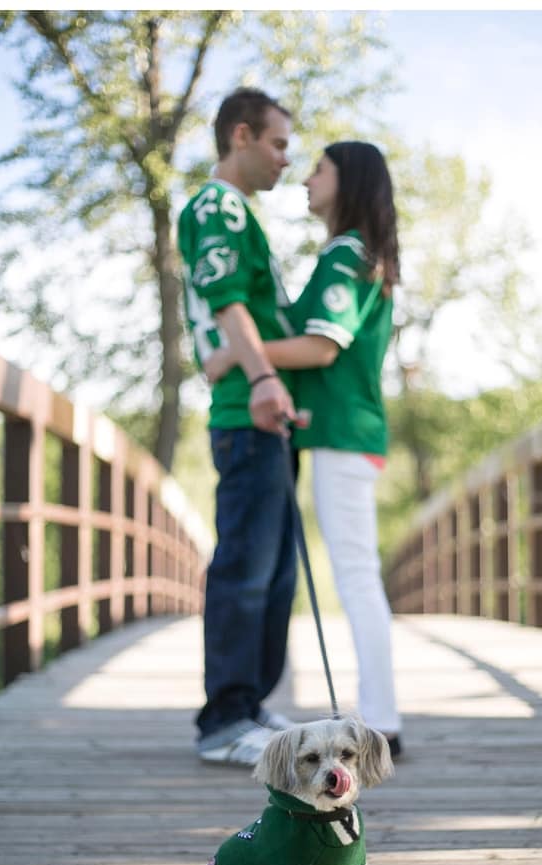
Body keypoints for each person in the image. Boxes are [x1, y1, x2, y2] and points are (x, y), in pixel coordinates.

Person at [207, 142, 405, 755]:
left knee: (355, 575)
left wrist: (233, 356)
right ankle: (380, 715)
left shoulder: (347, 256)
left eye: (319, 169)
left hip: (345, 434)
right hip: (343, 434)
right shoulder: (347, 253)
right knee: (355, 573)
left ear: (349, 183)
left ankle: (379, 722)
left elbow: (323, 346)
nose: (305, 178)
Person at [180, 87, 302, 765]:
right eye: (279, 144)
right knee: (246, 569)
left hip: (269, 414)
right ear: (243, 136)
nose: (287, 159)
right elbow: (227, 303)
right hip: (243, 412)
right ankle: (223, 719)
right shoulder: (216, 205)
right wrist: (260, 378)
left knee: (276, 571)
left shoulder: (244, 213)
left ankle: (250, 702)